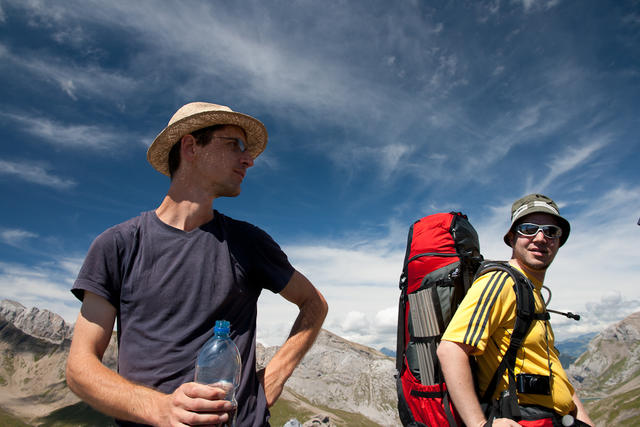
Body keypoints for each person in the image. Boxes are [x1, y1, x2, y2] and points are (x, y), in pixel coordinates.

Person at [66, 102, 328, 427]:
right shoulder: (117, 245)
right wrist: (161, 409)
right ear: (190, 146)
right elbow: (79, 369)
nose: (248, 159)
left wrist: (269, 382)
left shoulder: (249, 243)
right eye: (235, 145)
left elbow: (314, 304)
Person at [437, 194, 594, 427]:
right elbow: (450, 349)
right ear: (511, 238)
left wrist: (583, 419)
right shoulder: (501, 282)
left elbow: (549, 366)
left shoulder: (531, 291)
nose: (540, 238)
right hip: (525, 419)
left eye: (551, 231)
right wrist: (479, 425)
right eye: (529, 229)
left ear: (559, 241)